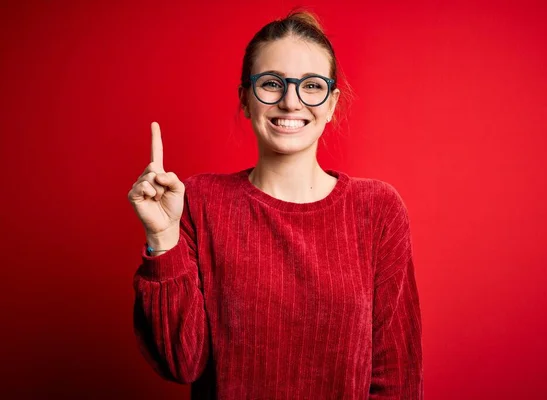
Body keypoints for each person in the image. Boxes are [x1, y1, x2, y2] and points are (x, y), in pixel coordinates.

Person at [128, 10, 423, 399]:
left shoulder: (378, 209)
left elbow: (397, 378)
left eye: (312, 86)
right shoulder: (197, 201)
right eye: (271, 84)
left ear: (332, 103)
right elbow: (181, 362)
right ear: (246, 99)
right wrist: (163, 238)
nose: (290, 102)